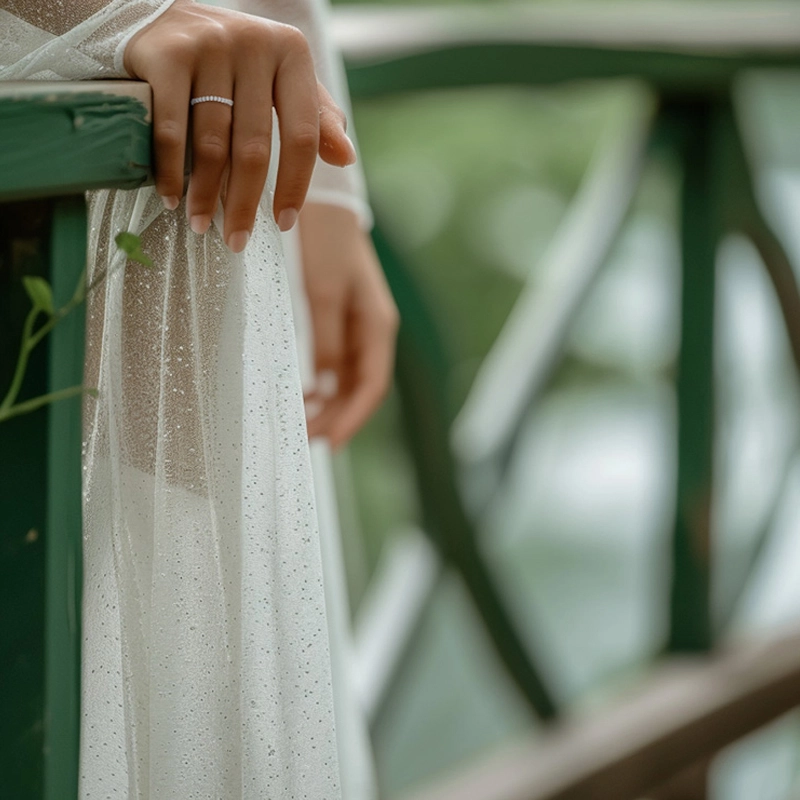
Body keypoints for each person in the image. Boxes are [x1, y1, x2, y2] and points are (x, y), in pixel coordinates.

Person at [0, 0, 397, 797]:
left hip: (220, 110)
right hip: (79, 96)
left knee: (187, 642)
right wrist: (102, 13)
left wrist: (327, 193)